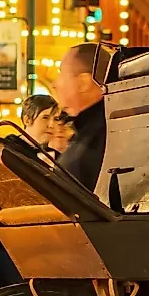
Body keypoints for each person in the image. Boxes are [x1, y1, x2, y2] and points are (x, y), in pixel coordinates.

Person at [50, 45, 109, 197]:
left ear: (83, 82)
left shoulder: (101, 136)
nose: (55, 84)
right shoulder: (88, 132)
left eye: (62, 74)